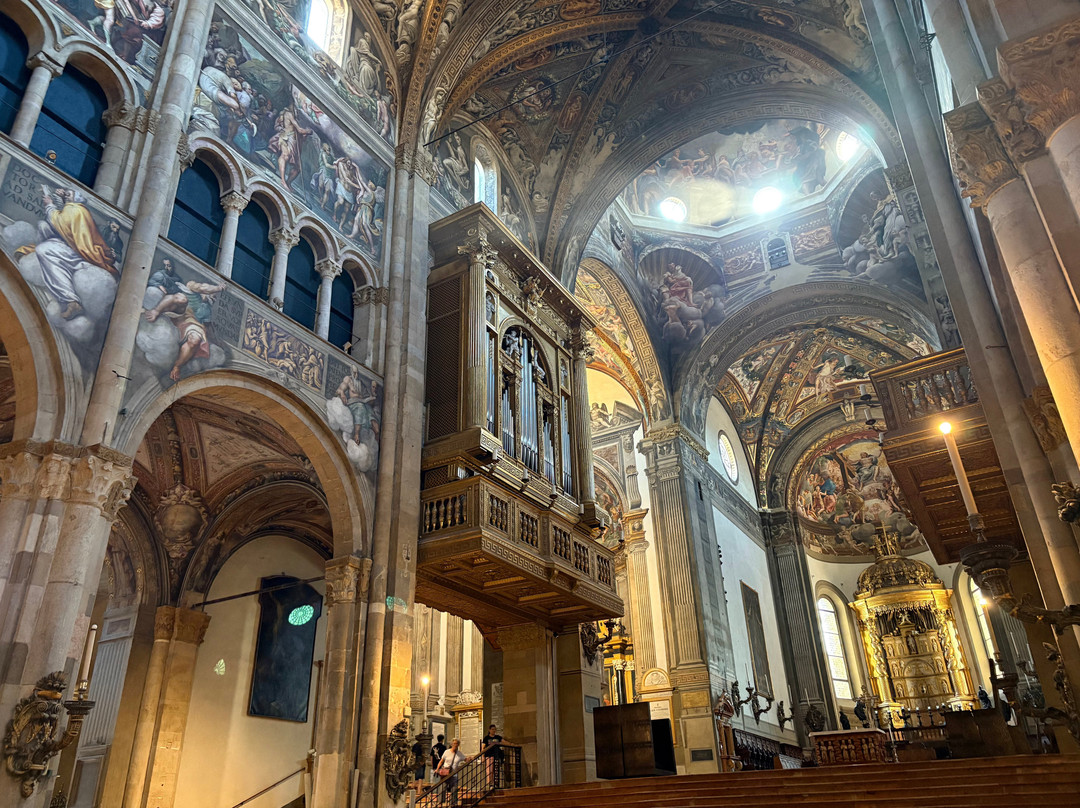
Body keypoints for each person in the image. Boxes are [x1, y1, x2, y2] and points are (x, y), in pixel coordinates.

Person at [436, 738, 466, 806]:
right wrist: (437, 769)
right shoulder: (447, 752)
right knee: (443, 787)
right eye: (454, 743)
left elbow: (465, 759)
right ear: (452, 744)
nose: (455, 745)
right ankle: (441, 802)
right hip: (446, 772)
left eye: (457, 744)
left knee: (454, 788)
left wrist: (470, 758)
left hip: (454, 773)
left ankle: (453, 803)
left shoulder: (459, 754)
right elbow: (441, 761)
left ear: (458, 745)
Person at [481, 724, 503, 788]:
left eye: (494, 729)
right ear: (489, 730)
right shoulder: (486, 738)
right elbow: (483, 747)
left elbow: (504, 741)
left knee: (495, 770)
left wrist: (511, 744)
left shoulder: (498, 737)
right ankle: (490, 783)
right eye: (492, 729)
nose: (494, 731)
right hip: (489, 755)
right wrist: (482, 756)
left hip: (496, 755)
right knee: (489, 770)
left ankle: (495, 783)